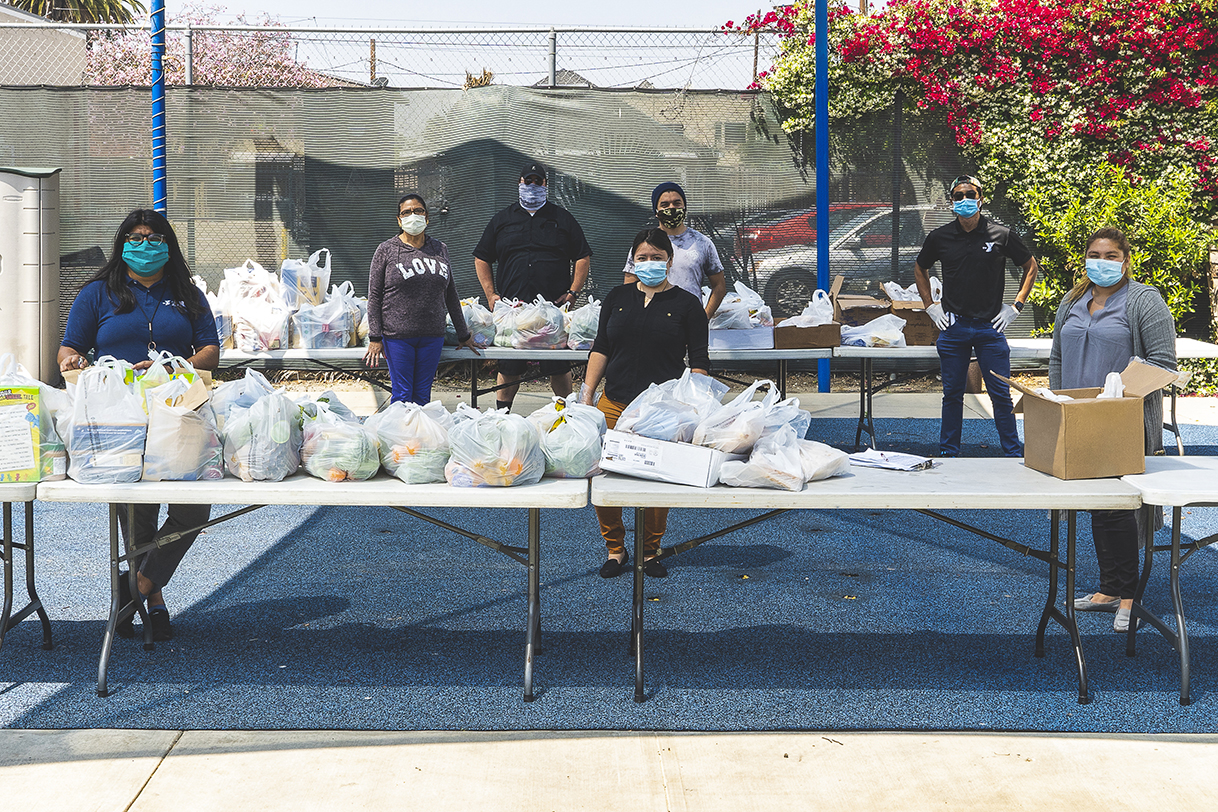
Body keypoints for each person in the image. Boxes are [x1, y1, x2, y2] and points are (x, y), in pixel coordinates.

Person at [58, 208, 219, 642]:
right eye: (134, 236)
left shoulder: (187, 292)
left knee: (192, 508)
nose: (143, 244)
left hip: (179, 415)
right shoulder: (97, 293)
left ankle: (136, 588)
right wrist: (72, 360)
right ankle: (155, 600)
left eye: (152, 237)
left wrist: (176, 365)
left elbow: (210, 350)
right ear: (121, 243)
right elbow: (69, 349)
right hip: (119, 418)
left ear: (168, 243)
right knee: (135, 510)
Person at [1052, 227, 1176, 633]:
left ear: (1126, 260)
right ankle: (1108, 588)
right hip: (1078, 420)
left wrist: (1123, 393)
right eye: (1094, 254)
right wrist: (1057, 404)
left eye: (1110, 255)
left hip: (1123, 422)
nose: (1101, 262)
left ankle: (1129, 597)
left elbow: (1163, 364)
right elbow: (1057, 357)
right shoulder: (1072, 300)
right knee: (1097, 505)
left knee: (1120, 508)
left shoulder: (1145, 301)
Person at [582, 229, 711, 579]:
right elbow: (602, 347)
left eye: (657, 257)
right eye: (642, 257)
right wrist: (587, 394)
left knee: (657, 481)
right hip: (614, 402)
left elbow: (699, 360)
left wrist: (694, 406)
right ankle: (615, 549)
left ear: (669, 260)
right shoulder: (617, 297)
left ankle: (650, 550)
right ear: (632, 261)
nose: (649, 263)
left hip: (661, 413)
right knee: (604, 478)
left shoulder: (687, 304)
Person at [913, 174, 1039, 457]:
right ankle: (949, 452)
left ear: (981, 199)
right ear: (951, 202)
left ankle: (1011, 451)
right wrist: (930, 306)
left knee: (1000, 394)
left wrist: (1016, 306)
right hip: (954, 326)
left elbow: (1031, 266)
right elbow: (920, 268)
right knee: (952, 395)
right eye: (959, 196)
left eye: (971, 195)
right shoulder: (939, 237)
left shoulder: (1001, 234)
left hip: (990, 328)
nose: (965, 200)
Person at [474, 162, 592, 412]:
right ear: (519, 184)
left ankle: (567, 415)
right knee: (509, 368)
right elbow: (481, 257)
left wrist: (573, 292)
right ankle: (501, 416)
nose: (532, 186)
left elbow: (582, 256)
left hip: (552, 311)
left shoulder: (562, 218)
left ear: (545, 186)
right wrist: (491, 295)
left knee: (558, 367)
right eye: (527, 181)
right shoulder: (502, 219)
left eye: (538, 181)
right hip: (513, 312)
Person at [365, 193, 480, 404]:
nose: (413, 216)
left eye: (418, 211)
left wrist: (463, 334)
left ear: (427, 217)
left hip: (432, 336)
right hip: (398, 337)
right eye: (406, 212)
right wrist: (375, 337)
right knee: (402, 394)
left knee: (422, 395)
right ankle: (398, 437)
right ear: (399, 220)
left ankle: (418, 437)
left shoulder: (439, 249)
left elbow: (450, 294)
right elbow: (374, 296)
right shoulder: (386, 250)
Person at [622, 181, 727, 319]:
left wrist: (703, 317)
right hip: (650, 321)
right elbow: (629, 286)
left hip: (688, 321)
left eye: (677, 203)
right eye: (664, 205)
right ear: (656, 211)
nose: (671, 208)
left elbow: (719, 285)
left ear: (684, 207)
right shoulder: (644, 244)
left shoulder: (702, 243)